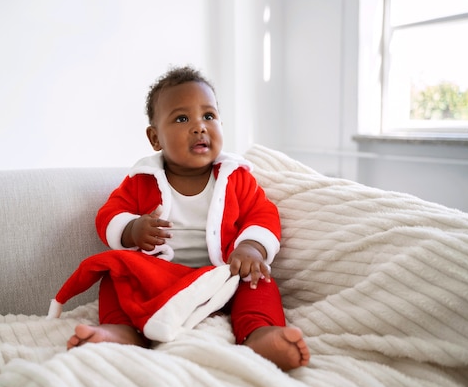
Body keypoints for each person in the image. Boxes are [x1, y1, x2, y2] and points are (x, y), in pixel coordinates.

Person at [66, 66, 310, 370]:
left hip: (221, 276)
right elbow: (109, 214)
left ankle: (260, 334)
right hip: (160, 279)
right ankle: (122, 331)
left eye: (208, 116)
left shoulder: (235, 178)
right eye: (182, 119)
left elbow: (262, 213)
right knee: (116, 275)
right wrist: (131, 228)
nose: (199, 127)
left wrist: (251, 248)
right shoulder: (143, 180)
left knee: (259, 279)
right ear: (155, 138)